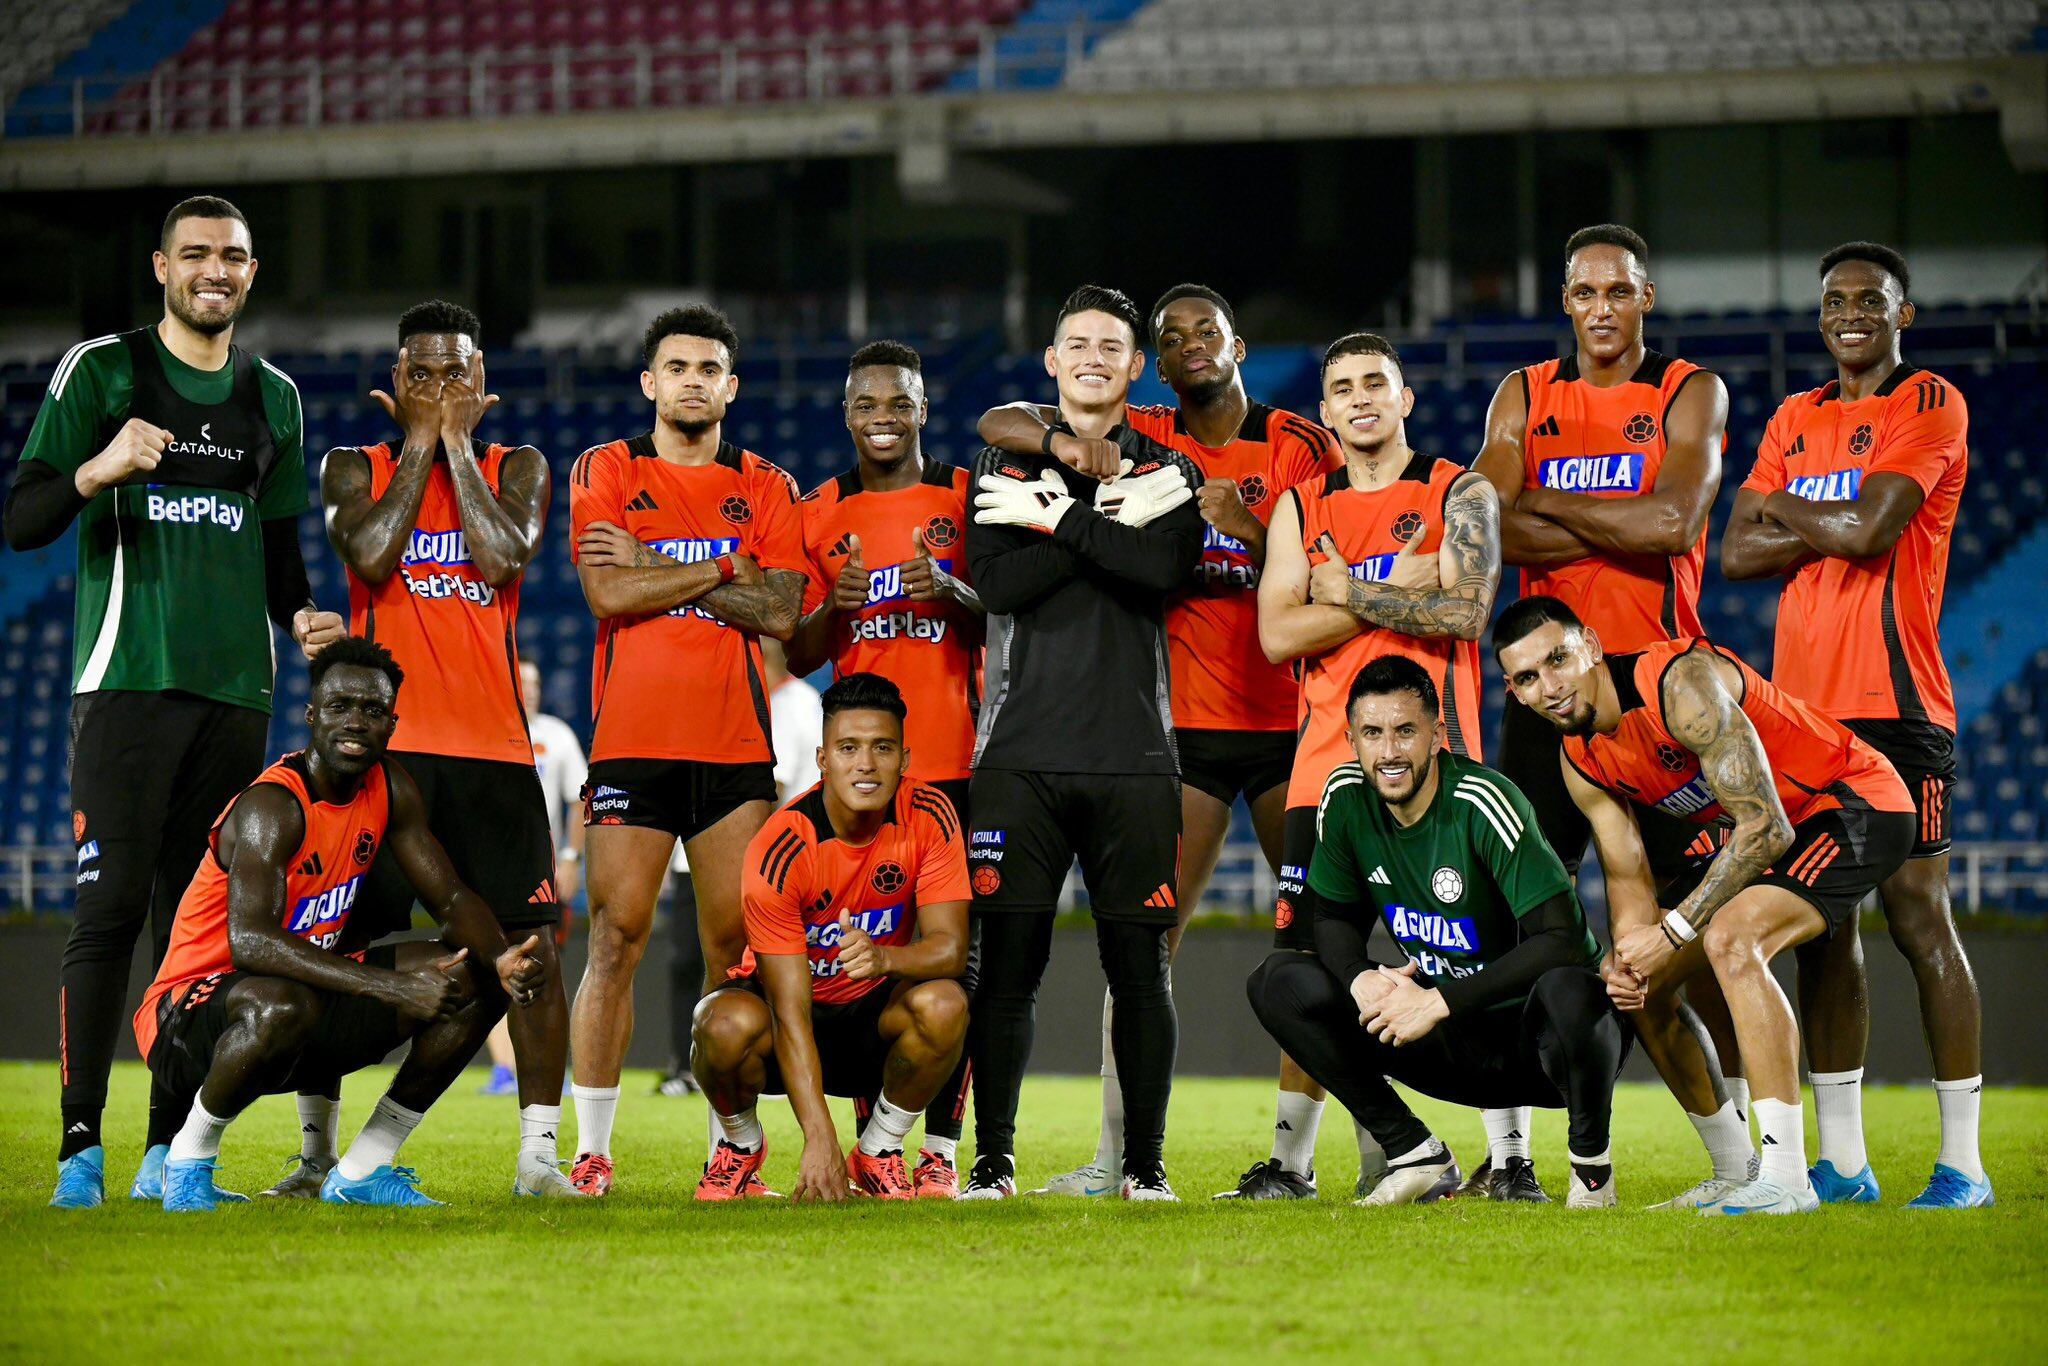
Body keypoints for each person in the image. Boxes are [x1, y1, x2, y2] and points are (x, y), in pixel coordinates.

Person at [2, 195, 345, 1209]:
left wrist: (302, 615)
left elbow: (279, 552)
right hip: (125, 684)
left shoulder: (274, 396)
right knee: (108, 912)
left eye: (231, 256)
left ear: (251, 271)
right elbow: (22, 518)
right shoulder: (102, 372)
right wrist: (97, 469)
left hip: (237, 695)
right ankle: (79, 1149)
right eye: (194, 254)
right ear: (161, 267)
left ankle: (166, 1153)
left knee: (191, 934)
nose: (214, 271)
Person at [976, 286, 1354, 1201]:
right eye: (1171, 333)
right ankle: (1120, 1159)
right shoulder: (1143, 434)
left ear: (1238, 344)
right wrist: (1066, 452)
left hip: (1290, 725)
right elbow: (1002, 420)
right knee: (1148, 951)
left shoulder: (1300, 444)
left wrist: (1250, 530)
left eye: (1205, 330)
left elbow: (1336, 558)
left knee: (1317, 942)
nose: (1190, 344)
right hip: (1180, 729)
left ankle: (1306, 1157)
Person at [1495, 597, 1917, 1214]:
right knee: (1643, 988)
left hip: (1853, 803)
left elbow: (1765, 827)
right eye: (1528, 678)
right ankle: (1735, 1169)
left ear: (1591, 645)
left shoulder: (1678, 685)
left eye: (1558, 659)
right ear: (1514, 692)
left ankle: (1787, 1178)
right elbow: (1626, 875)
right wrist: (1631, 957)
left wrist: (1671, 930)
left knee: (1731, 939)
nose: (1550, 687)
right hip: (1771, 835)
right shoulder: (1580, 759)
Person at [1470, 223, 1736, 1197]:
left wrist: (1549, 509)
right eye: (1583, 292)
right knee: (1507, 920)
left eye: (1617, 291)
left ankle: (1751, 1156)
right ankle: (1512, 1157)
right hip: (1541, 695)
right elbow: (1484, 518)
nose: (1600, 308)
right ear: (1565, 301)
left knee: (1698, 941)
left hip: (1656, 694)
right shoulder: (1524, 393)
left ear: (1645, 297)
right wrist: (1613, 522)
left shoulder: (1688, 391)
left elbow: (1675, 519)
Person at [1722, 241, 1988, 1209]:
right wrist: (1822, 518)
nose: (1849, 315)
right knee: (1823, 928)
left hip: (1898, 707)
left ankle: (1962, 1164)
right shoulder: (1794, 415)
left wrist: (1785, 505)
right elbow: (1735, 554)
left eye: (1870, 301)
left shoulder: (1930, 402)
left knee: (1918, 917)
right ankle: (1842, 1163)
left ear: (1901, 314)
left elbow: (1871, 531)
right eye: (1835, 300)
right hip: (1803, 718)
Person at [131, 637, 547, 1210]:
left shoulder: (390, 788)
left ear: (392, 724)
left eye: (373, 710)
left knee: (475, 978)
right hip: (188, 1014)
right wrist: (392, 986)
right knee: (283, 1002)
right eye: (340, 706)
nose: (356, 722)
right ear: (311, 716)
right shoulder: (272, 807)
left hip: (297, 1003)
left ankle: (361, 1170)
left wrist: (500, 956)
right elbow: (251, 943)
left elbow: (450, 897)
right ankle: (186, 1163)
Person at [315, 300, 574, 1198]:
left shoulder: (519, 466)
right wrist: (423, 442)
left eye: (455, 374)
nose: (437, 389)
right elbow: (371, 555)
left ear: (481, 382)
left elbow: (502, 559)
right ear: (395, 382)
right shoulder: (354, 466)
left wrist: (454, 442)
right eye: (420, 375)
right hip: (383, 757)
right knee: (331, 943)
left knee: (531, 954)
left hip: (493, 755)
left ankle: (538, 1159)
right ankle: (317, 1155)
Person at [957, 284, 1204, 1201]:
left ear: (1136, 367)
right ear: (1052, 362)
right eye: (1078, 343)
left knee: (1140, 971)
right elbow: (998, 585)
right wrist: (1105, 524)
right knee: (1007, 972)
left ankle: (1145, 1168)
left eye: (1112, 346)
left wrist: (1056, 519)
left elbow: (1161, 569)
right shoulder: (1001, 459)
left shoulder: (1170, 468)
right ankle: (992, 1164)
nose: (1094, 357)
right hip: (1017, 756)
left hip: (1134, 756)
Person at [565, 305, 806, 1196]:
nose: (693, 381)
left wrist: (655, 564)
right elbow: (605, 593)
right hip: (630, 744)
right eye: (677, 367)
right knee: (614, 940)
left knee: (732, 951)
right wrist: (722, 568)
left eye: (709, 369)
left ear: (731, 387)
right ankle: (591, 1151)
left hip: (734, 749)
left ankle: (729, 1151)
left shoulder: (768, 483)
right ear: (649, 382)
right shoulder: (607, 467)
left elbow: (782, 613)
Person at [1253, 333, 1501, 1198]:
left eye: (1375, 383)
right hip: (1323, 773)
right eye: (1343, 388)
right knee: (1304, 967)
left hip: (1442, 769)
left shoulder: (1460, 491)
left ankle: (1510, 1160)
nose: (1360, 398)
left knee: (1473, 957)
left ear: (1405, 399)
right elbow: (1277, 634)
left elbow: (1466, 613)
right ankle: (1295, 1163)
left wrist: (1346, 589)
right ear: (1324, 410)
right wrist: (1399, 590)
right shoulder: (1300, 504)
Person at [1248, 657, 1626, 1209]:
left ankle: (1591, 1176)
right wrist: (1358, 979)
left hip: (1541, 1050)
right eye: (1372, 734)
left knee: (1571, 989)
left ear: (1437, 735)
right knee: (1279, 979)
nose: (1389, 751)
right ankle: (1413, 1151)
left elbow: (1564, 939)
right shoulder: (1346, 796)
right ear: (1351, 740)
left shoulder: (1481, 800)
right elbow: (1332, 918)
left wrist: (1438, 1001)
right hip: (1450, 1045)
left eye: (1405, 731)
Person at [789, 339, 982, 1196]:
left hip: (955, 768)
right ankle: (882, 1143)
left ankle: (937, 1150)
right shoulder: (816, 512)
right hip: (863, 783)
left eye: (899, 402)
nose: (883, 418)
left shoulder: (967, 495)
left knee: (956, 969)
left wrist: (955, 594)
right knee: (870, 961)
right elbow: (795, 653)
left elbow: (1013, 615)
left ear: (922, 409)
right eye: (867, 404)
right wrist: (832, 613)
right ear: (846, 413)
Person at [690, 673, 971, 1202]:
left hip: (872, 1021)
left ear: (904, 759)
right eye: (848, 748)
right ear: (822, 759)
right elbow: (789, 1011)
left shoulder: (930, 814)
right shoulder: (783, 844)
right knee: (720, 1023)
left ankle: (879, 1149)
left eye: (882, 748)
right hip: (788, 1027)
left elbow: (951, 950)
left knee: (944, 1004)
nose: (866, 764)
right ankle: (741, 1145)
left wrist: (883, 958)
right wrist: (819, 1137)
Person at [479, 658, 587, 1097]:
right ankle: (505, 1068)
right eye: (522, 682)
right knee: (492, 965)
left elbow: (580, 798)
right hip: (488, 871)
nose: (531, 690)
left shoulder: (556, 736)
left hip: (542, 872)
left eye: (536, 682)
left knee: (544, 967)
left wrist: (571, 858)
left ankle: (542, 1062)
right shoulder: (483, 731)